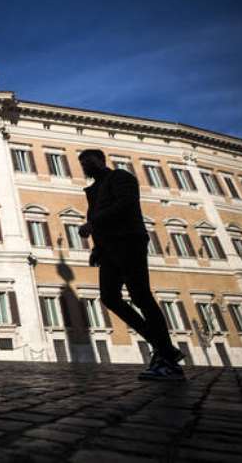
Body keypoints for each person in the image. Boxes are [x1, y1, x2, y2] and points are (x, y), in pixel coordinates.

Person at [77, 149, 185, 381]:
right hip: (107, 249)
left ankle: (166, 357)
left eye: (88, 161)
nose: (86, 166)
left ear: (100, 160)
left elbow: (126, 205)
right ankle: (164, 348)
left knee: (140, 295)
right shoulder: (93, 190)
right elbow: (100, 221)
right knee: (109, 297)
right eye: (83, 164)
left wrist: (92, 223)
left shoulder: (121, 178)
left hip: (128, 240)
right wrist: (96, 248)